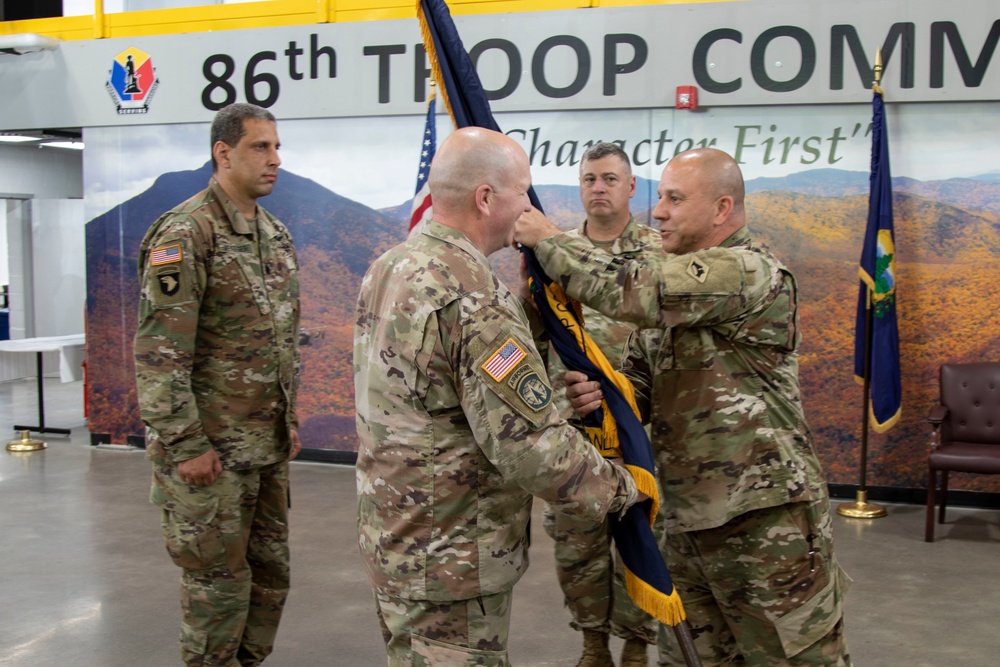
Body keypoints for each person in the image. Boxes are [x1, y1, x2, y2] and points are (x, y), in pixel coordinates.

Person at [515, 147, 851, 666]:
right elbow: (642, 387)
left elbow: (634, 291)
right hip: (685, 522)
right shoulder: (678, 287)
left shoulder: (747, 271)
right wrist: (607, 398)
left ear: (721, 209)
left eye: (674, 199)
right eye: (660, 197)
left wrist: (548, 241)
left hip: (761, 524)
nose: (659, 211)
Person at [354, 126, 645, 666]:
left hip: (397, 535)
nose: (529, 206)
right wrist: (624, 488)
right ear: (486, 198)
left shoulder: (389, 268)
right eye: (523, 191)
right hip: (453, 556)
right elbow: (528, 445)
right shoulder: (473, 298)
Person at [134, 102, 301, 667]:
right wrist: (186, 445)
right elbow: (159, 355)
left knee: (270, 577)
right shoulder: (186, 235)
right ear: (222, 152)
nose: (274, 160)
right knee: (217, 587)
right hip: (210, 455)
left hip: (263, 448)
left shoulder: (272, 235)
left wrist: (288, 423)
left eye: (277, 147)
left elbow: (279, 342)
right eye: (261, 147)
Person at [538, 142, 662, 667]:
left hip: (641, 427)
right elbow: (534, 333)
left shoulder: (659, 255)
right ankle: (592, 645)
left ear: (631, 187)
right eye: (590, 179)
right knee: (578, 543)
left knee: (639, 534)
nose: (599, 188)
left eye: (610, 178)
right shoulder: (551, 252)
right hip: (575, 427)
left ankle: (636, 646)